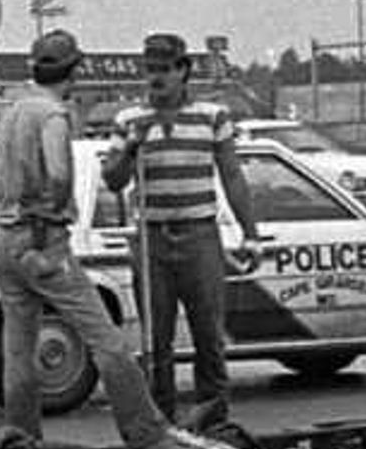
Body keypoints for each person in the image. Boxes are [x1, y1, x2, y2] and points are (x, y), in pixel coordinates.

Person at [0, 29, 211, 449]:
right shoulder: (52, 114)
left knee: (18, 346)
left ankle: (21, 437)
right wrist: (52, 205)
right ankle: (147, 435)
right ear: (71, 71)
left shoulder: (13, 109)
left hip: (4, 240)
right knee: (106, 340)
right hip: (42, 238)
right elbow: (55, 171)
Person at [97, 30, 254, 421]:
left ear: (183, 71)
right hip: (152, 240)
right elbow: (112, 180)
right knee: (156, 341)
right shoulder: (129, 120)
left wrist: (250, 233)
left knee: (209, 336)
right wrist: (131, 147)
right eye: (151, 70)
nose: (157, 78)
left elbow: (232, 175)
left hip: (200, 234)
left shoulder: (211, 117)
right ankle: (161, 424)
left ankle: (213, 419)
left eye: (165, 69)